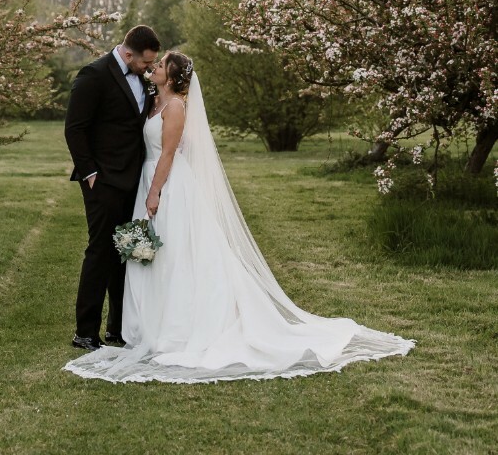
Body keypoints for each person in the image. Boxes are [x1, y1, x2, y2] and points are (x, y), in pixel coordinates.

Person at [64, 52, 415, 383]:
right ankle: (145, 324)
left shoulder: (176, 107)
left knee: (177, 254)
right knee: (152, 255)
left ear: (171, 77)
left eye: (161, 64)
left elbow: (168, 153)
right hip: (146, 179)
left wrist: (155, 192)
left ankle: (180, 326)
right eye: (154, 63)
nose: (154, 67)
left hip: (167, 185)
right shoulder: (153, 100)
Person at [64, 24, 160, 352]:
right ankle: (85, 332)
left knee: (127, 251)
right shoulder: (93, 75)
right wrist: (90, 173)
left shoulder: (144, 79)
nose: (150, 68)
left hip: (134, 179)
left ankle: (118, 328)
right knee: (100, 251)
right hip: (103, 180)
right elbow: (75, 129)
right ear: (128, 54)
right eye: (146, 62)